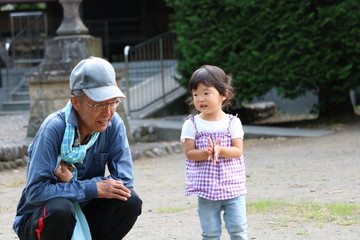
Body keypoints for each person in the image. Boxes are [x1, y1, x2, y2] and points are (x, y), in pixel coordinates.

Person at [13, 56, 142, 240]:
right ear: (75, 102)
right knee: (60, 208)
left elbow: (125, 182)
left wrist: (74, 185)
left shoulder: (113, 125)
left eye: (113, 102)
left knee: (129, 201)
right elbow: (36, 191)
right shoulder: (53, 129)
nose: (107, 112)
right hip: (41, 217)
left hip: (85, 211)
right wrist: (92, 188)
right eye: (99, 104)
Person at [180, 65, 248, 240]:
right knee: (210, 232)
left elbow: (238, 151)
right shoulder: (192, 124)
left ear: (223, 94)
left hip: (233, 188)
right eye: (196, 94)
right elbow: (189, 153)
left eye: (206, 93)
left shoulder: (232, 122)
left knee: (238, 229)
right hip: (206, 189)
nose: (200, 99)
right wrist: (206, 152)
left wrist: (220, 150)